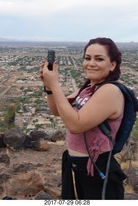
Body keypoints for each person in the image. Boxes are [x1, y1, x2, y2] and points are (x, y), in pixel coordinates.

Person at [39, 37, 127, 200]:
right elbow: (57, 110)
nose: (91, 63)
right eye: (87, 58)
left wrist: (56, 84)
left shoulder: (110, 91)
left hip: (97, 169)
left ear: (112, 64)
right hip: (77, 167)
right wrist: (49, 87)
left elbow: (75, 125)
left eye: (99, 59)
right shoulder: (88, 88)